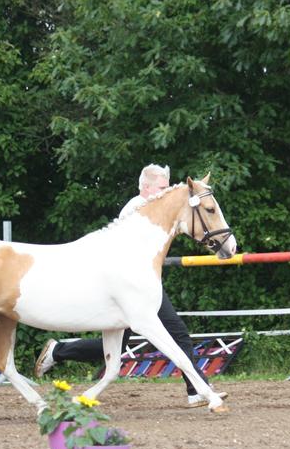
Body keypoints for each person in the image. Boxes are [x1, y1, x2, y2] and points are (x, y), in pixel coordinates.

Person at [34, 164, 227, 409]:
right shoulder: (135, 208)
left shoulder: (158, 210)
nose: (165, 191)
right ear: (145, 187)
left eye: (167, 186)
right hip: (128, 290)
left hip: (140, 288)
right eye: (160, 186)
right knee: (175, 334)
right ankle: (59, 351)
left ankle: (195, 390)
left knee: (170, 335)